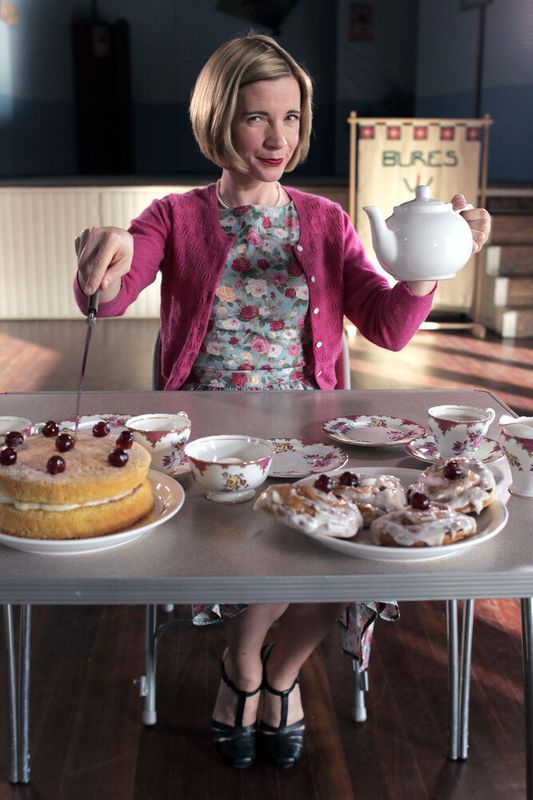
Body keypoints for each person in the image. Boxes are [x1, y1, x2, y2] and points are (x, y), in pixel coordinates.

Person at [74, 34, 491, 770]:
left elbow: (389, 328)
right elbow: (106, 300)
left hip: (311, 433)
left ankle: (277, 671)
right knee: (257, 545)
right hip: (209, 436)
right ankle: (245, 668)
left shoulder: (324, 221)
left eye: (292, 117)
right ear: (217, 120)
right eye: (255, 117)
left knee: (346, 547)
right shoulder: (172, 217)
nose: (277, 137)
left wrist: (433, 264)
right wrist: (100, 252)